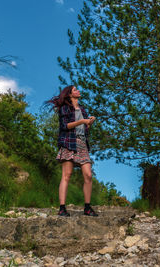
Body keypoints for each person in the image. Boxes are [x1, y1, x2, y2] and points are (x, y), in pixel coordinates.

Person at [47, 85, 98, 217]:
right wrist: (81, 121)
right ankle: (62, 208)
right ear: (70, 94)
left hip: (82, 144)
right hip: (69, 141)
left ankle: (87, 208)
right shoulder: (65, 108)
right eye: (75, 90)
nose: (78, 91)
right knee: (67, 175)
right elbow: (65, 126)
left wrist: (89, 121)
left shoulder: (82, 109)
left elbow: (85, 127)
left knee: (88, 175)